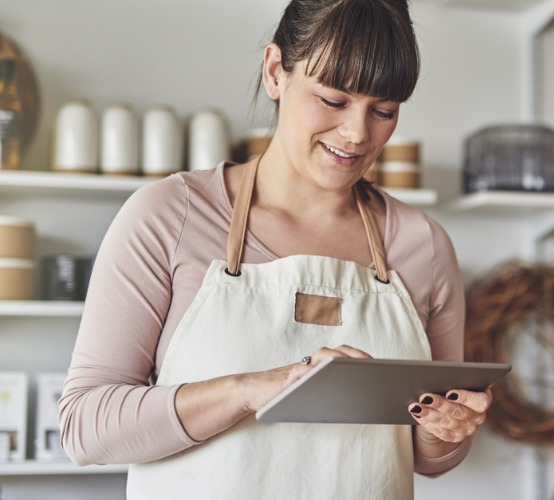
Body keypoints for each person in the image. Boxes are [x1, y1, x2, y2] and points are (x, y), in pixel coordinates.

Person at [58, 0, 491, 497]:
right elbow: (85, 427)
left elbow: (427, 460)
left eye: (384, 111)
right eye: (333, 100)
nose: (357, 134)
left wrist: (445, 431)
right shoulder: (170, 216)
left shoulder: (424, 246)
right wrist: (250, 389)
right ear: (274, 73)